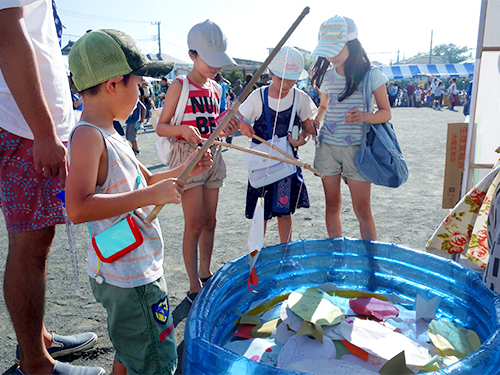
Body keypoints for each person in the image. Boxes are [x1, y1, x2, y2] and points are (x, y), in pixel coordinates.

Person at [65, 28, 213, 375]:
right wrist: (149, 196)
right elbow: (77, 207)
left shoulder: (112, 132)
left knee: (131, 350)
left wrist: (185, 171)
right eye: (139, 84)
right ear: (114, 84)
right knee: (154, 357)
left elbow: (145, 180)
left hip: (129, 265)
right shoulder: (88, 135)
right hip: (127, 276)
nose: (142, 93)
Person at [0, 2, 105, 375]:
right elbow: (7, 33)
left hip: (29, 124)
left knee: (37, 240)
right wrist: (44, 131)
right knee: (29, 243)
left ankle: (38, 340)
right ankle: (35, 364)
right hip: (22, 125)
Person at [155, 20, 239, 304]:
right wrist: (181, 130)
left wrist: (227, 127)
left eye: (219, 61)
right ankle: (193, 285)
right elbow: (161, 126)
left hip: (212, 154)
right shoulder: (181, 85)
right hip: (187, 157)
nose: (215, 67)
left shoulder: (217, 88)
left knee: (210, 221)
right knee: (193, 224)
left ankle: (206, 271)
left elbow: (215, 123)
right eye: (209, 60)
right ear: (192, 55)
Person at [310, 15, 391, 241]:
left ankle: (371, 261)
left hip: (359, 150)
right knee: (332, 205)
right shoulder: (327, 77)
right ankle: (338, 255)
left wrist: (365, 116)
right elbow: (324, 105)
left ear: (351, 44)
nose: (331, 56)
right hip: (327, 147)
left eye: (336, 49)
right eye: (327, 50)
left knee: (363, 210)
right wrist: (317, 118)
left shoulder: (372, 75)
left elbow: (386, 112)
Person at [238, 46, 318, 243]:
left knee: (285, 212)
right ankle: (257, 255)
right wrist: (244, 127)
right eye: (281, 78)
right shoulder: (258, 96)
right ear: (271, 73)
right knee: (260, 212)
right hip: (260, 164)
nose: (286, 84)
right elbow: (242, 121)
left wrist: (303, 139)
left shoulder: (300, 98)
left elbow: (308, 129)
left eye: (291, 79)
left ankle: (286, 250)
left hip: (286, 165)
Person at [125, 90, 146, 154]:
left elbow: (143, 108)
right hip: (129, 120)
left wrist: (142, 119)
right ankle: (134, 147)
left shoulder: (135, 100)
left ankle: (136, 149)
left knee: (132, 136)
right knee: (128, 136)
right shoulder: (130, 100)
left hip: (134, 121)